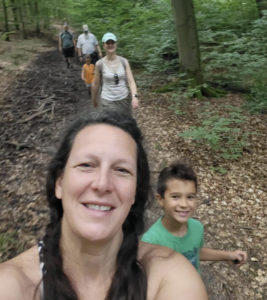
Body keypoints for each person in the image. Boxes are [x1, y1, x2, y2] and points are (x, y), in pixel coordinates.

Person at [0, 112, 207, 300]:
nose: (102, 184)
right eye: (86, 165)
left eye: (121, 169)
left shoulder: (169, 277)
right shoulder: (12, 286)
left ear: (135, 192)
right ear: (60, 183)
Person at [141, 161, 248, 274]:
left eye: (190, 197)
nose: (184, 204)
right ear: (161, 200)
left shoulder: (197, 227)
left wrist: (227, 256)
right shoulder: (151, 241)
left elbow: (196, 252)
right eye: (175, 197)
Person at [92, 33, 139, 115]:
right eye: (108, 43)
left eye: (112, 42)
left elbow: (131, 81)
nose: (110, 45)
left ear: (116, 44)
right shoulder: (99, 64)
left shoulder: (124, 61)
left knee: (126, 124)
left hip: (124, 99)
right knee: (113, 124)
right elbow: (96, 84)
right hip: (108, 101)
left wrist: (134, 97)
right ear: (103, 45)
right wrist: (94, 99)